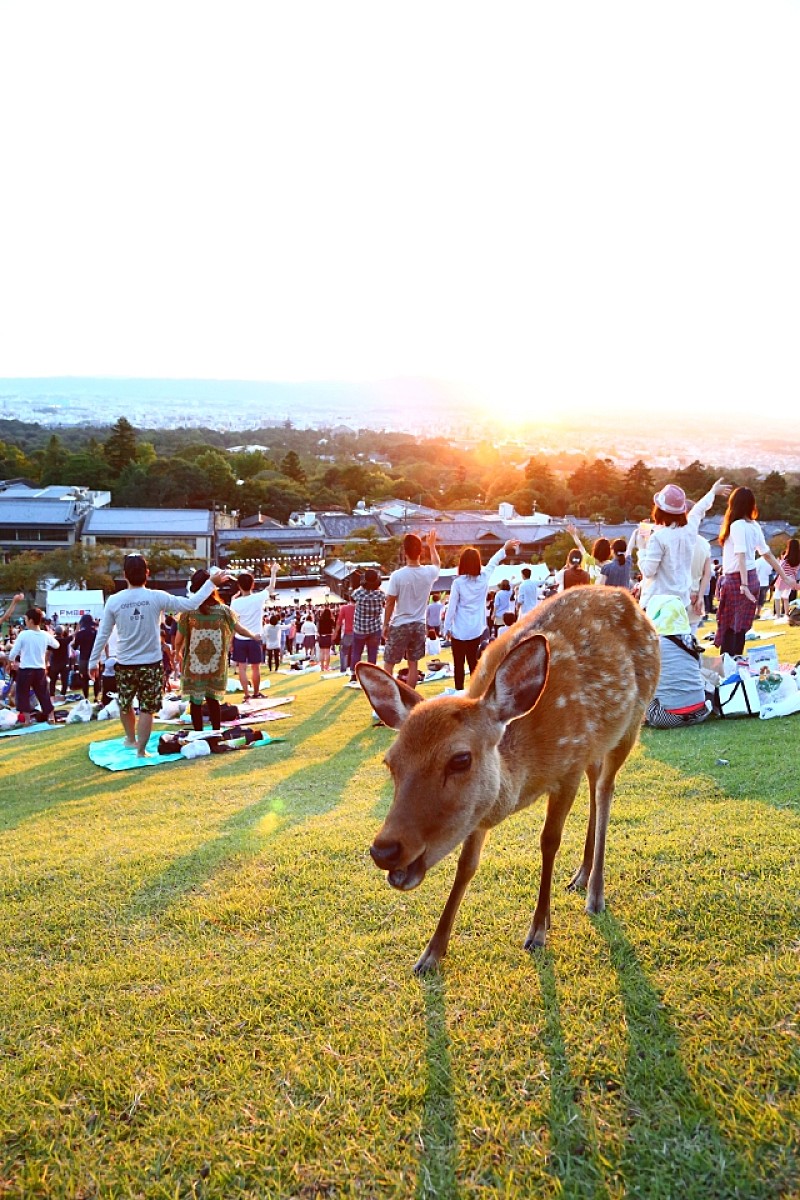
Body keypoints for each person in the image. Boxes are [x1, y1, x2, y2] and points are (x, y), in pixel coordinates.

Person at [88, 554, 224, 757]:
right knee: (146, 708)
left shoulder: (114, 601)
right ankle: (141, 751)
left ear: (124, 575)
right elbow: (191, 604)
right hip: (151, 663)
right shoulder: (156, 596)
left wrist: (93, 661)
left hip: (124, 662)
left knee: (125, 704)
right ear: (147, 574)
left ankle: (131, 740)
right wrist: (210, 584)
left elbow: (103, 633)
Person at [174, 569, 261, 731]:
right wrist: (253, 636)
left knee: (196, 701)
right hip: (216, 664)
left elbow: (179, 639)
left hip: (194, 666)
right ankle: (215, 732)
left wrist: (177, 654)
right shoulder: (223, 611)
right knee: (213, 700)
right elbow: (239, 629)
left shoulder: (188, 613)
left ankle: (198, 733)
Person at [714, 488, 796, 657]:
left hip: (738, 579)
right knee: (740, 627)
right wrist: (784, 576)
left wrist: (743, 584)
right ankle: (736, 663)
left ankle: (728, 666)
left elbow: (741, 555)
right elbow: (767, 554)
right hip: (751, 578)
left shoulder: (737, 525)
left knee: (730, 627)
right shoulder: (754, 525)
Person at [638, 479, 730, 610]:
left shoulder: (658, 538)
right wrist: (713, 492)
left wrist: (642, 549)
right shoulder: (689, 529)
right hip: (681, 602)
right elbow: (699, 509)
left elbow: (648, 571)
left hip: (658, 603)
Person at [443, 539, 519, 691]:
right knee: (474, 664)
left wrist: (446, 628)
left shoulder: (458, 583)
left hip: (459, 630)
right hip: (476, 629)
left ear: (462, 564)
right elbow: (493, 562)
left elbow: (451, 608)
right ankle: (474, 693)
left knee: (458, 664)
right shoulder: (484, 578)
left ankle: (459, 692)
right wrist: (504, 548)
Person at [644, 596, 716, 728]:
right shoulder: (691, 640)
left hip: (666, 717)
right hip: (699, 711)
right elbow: (698, 667)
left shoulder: (652, 645)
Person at [382, 531, 440, 689]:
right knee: (413, 665)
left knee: (389, 664)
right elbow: (437, 564)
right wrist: (432, 546)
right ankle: (410, 700)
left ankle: (388, 700)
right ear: (420, 551)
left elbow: (390, 602)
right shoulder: (429, 573)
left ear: (404, 552)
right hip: (419, 624)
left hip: (401, 623)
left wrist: (386, 624)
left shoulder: (397, 576)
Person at [9, 607, 59, 724]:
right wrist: (51, 635)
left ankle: (27, 720)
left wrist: (11, 661)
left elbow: (13, 653)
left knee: (23, 694)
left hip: (26, 668)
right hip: (40, 669)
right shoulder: (44, 635)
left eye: (26, 619)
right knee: (43, 694)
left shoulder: (24, 634)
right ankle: (51, 716)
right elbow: (56, 645)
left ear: (30, 620)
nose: (25, 621)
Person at [230, 572, 267, 700]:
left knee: (242, 668)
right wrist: (273, 572)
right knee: (255, 668)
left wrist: (231, 641)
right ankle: (256, 693)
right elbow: (271, 587)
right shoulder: (258, 598)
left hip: (240, 638)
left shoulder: (235, 603)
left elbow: (234, 624)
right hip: (255, 638)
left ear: (239, 586)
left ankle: (246, 694)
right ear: (253, 584)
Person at [350, 568, 385, 675]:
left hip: (360, 628)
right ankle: (371, 674)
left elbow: (352, 599)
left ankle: (354, 674)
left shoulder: (358, 593)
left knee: (357, 652)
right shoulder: (380, 594)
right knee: (372, 653)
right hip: (375, 628)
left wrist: (363, 584)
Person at [72, 613, 99, 700]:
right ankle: (96, 697)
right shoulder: (96, 633)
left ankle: (86, 698)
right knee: (96, 680)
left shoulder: (80, 634)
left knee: (84, 680)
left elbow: (74, 647)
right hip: (94, 659)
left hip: (83, 659)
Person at [773, 538, 800, 621]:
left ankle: (777, 615)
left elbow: (781, 567)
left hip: (783, 578)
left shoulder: (786, 557)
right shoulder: (798, 558)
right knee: (786, 597)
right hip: (791, 579)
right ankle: (786, 614)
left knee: (777, 596)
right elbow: (796, 570)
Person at [333, 597, 355, 674]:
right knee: (354, 652)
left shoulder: (344, 608)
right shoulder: (359, 608)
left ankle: (343, 669)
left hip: (348, 632)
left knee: (343, 652)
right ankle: (353, 668)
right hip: (357, 632)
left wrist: (335, 633)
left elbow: (339, 621)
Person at [317, 603, 335, 672]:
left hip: (321, 636)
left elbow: (318, 629)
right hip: (328, 636)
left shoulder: (320, 620)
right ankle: (327, 667)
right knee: (327, 652)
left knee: (321, 652)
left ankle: (322, 667)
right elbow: (333, 627)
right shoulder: (330, 621)